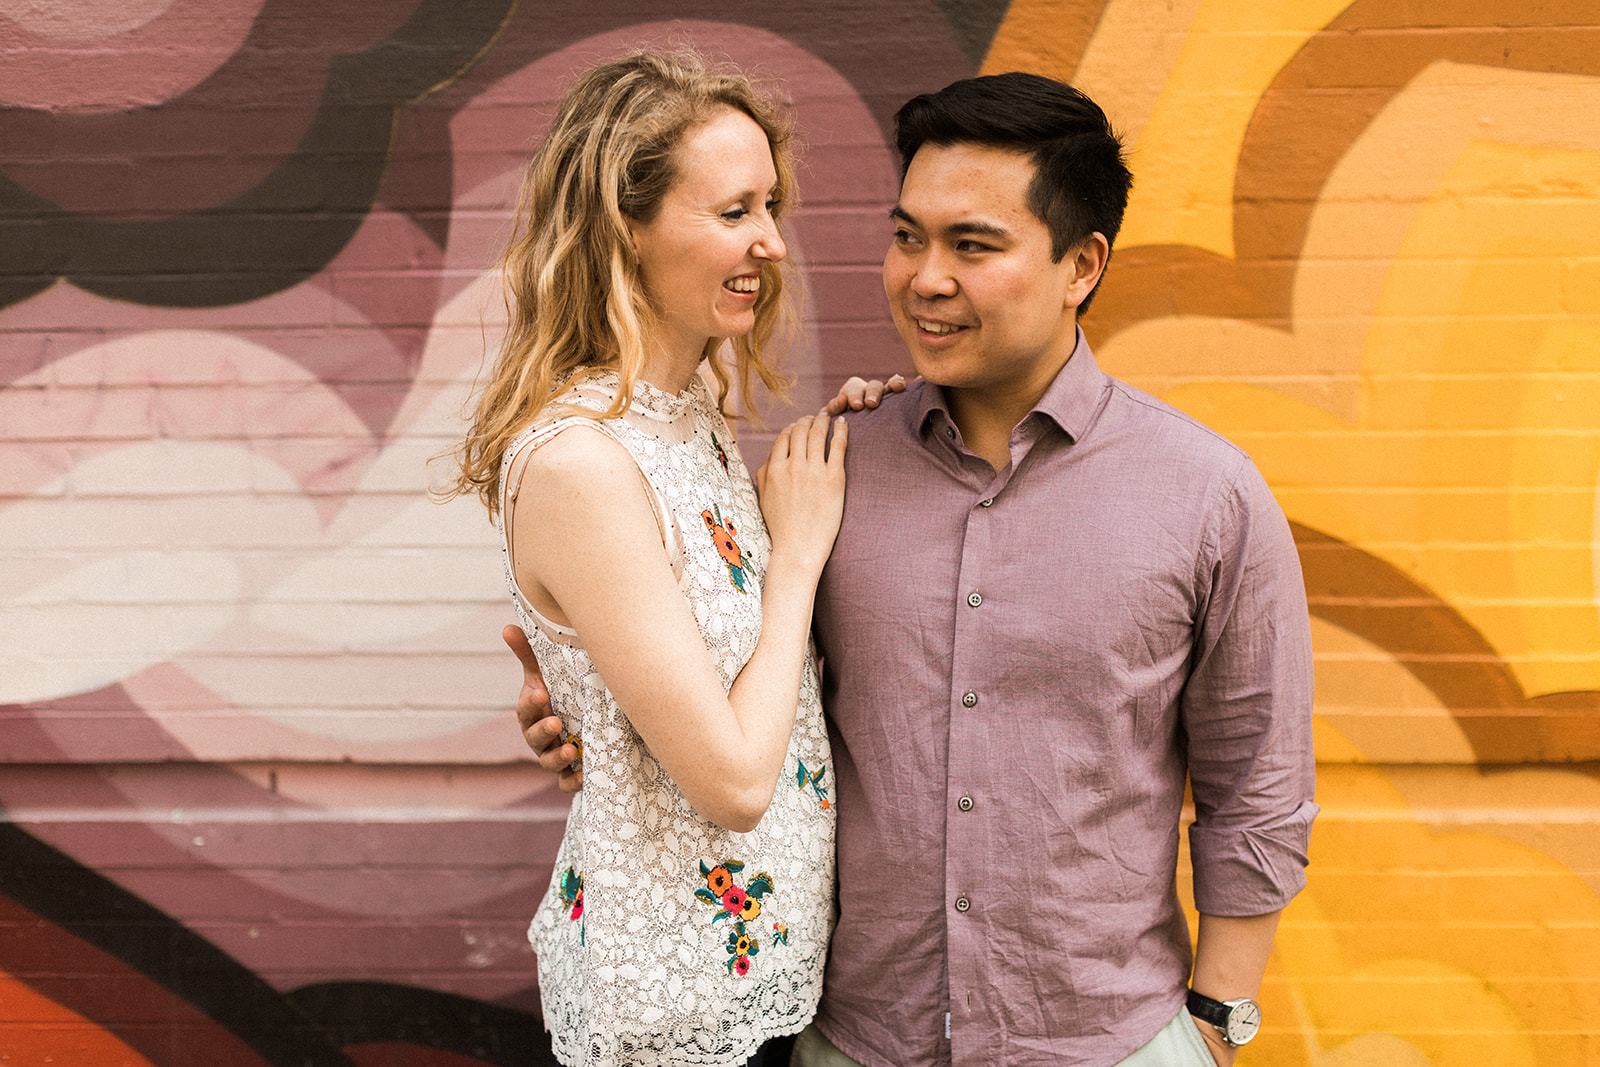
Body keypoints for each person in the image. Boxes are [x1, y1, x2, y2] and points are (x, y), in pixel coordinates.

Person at [519, 71, 1317, 1067]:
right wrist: (588, 711)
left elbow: (1259, 793)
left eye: (971, 246)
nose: (923, 277)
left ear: (1081, 263)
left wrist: (1214, 1026)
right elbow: (733, 700)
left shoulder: (1207, 494)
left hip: (1111, 1042)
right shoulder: (820, 474)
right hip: (855, 1041)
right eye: (908, 236)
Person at [452, 51, 846, 1067]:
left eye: (771, 205)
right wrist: (796, 554)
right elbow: (728, 781)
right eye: (731, 212)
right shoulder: (582, 459)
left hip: (754, 979)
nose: (770, 240)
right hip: (670, 1013)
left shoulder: (690, 419)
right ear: (624, 227)